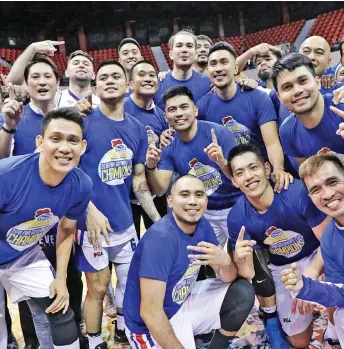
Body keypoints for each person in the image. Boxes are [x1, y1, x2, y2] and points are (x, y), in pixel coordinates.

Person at [0, 56, 87, 348]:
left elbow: (65, 232)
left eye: (73, 141)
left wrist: (60, 277)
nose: (64, 148)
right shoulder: (8, 175)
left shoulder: (80, 184)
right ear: (39, 143)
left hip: (22, 254)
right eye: (56, 139)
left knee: (59, 310)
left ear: (82, 147)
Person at [74, 59, 161, 348]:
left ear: (128, 85)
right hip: (91, 227)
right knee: (97, 289)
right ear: (96, 88)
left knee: (129, 284)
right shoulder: (83, 123)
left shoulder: (137, 129)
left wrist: (158, 220)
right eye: (104, 78)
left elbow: (139, 181)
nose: (110, 80)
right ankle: (96, 341)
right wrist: (88, 209)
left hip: (124, 223)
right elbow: (67, 174)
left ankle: (123, 330)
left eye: (117, 76)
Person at [123, 174, 255, 349]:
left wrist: (225, 260)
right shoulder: (160, 240)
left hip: (181, 303)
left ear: (206, 202)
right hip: (148, 327)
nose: (193, 201)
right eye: (184, 195)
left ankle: (218, 345)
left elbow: (228, 278)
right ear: (170, 201)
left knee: (242, 292)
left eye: (199, 195)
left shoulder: (203, 225)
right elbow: (150, 313)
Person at [226, 143, 330, 348]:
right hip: (283, 268)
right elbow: (249, 273)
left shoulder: (296, 192)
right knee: (298, 342)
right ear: (234, 181)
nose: (248, 176)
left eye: (253, 168)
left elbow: (330, 240)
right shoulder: (236, 217)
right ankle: (273, 320)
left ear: (266, 168)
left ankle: (335, 325)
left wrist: (313, 272)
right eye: (240, 172)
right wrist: (239, 258)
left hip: (317, 254)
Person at [145, 85, 242, 247]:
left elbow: (239, 179)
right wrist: (151, 166)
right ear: (166, 116)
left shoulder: (219, 133)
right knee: (212, 265)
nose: (179, 113)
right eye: (172, 109)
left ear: (195, 110)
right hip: (204, 213)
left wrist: (221, 162)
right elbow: (160, 189)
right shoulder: (169, 145)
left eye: (184, 107)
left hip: (236, 207)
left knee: (246, 263)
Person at [197, 42, 292, 193]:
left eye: (224, 62)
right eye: (213, 64)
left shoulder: (258, 97)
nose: (218, 68)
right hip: (228, 183)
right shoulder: (202, 106)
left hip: (259, 178)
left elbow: (272, 143)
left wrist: (279, 169)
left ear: (235, 68)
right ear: (208, 70)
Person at [281, 153, 344, 347]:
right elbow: (339, 292)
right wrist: (304, 287)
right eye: (316, 189)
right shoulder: (329, 238)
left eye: (332, 182)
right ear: (310, 197)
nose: (326, 194)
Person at [273, 53, 344, 165]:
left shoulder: (341, 105)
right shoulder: (287, 131)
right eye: (287, 87)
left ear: (317, 82)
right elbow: (309, 174)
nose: (297, 91)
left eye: (303, 81)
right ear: (279, 97)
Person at [125, 60, 169, 237]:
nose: (148, 78)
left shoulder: (161, 114)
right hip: (125, 196)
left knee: (161, 242)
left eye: (152, 75)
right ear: (130, 84)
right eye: (141, 74)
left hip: (154, 191)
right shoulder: (121, 109)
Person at [153, 30, 211, 109]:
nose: (184, 50)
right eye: (179, 45)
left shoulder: (209, 83)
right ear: (170, 54)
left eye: (189, 46)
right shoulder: (157, 84)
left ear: (196, 54)